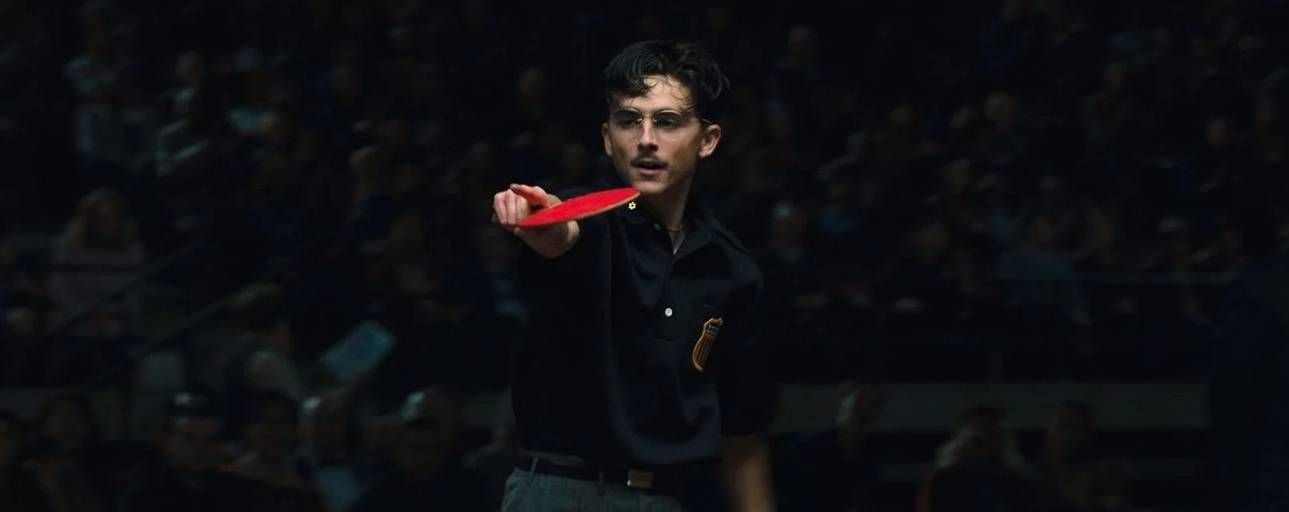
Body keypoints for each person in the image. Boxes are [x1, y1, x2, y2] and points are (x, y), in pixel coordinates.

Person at [491, 39, 775, 511]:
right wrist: (542, 221)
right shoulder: (590, 223)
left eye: (667, 121)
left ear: (708, 140)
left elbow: (742, 437)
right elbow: (561, 232)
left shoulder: (734, 270)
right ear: (607, 138)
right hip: (558, 492)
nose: (645, 138)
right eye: (628, 120)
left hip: (665, 498)